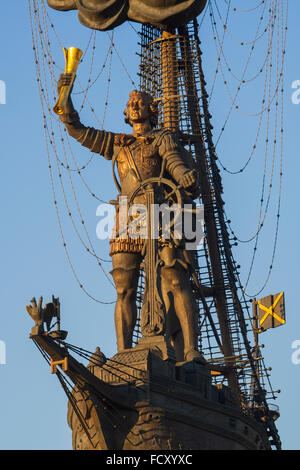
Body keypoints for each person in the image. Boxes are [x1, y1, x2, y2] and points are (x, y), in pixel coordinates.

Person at [57, 73, 203, 362]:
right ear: (126, 113)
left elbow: (173, 160)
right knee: (124, 285)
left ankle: (191, 350)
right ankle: (124, 353)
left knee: (174, 275)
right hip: (128, 217)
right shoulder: (118, 144)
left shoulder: (162, 138)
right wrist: (65, 98)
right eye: (131, 103)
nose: (136, 105)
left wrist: (183, 174)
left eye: (141, 102)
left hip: (161, 210)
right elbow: (79, 131)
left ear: (152, 110)